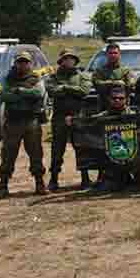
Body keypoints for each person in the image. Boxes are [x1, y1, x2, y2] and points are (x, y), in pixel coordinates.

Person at [0, 51, 48, 199]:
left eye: (25, 62)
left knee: (36, 153)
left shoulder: (36, 77)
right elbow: (3, 95)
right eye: (20, 62)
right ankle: (3, 185)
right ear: (15, 63)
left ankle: (39, 183)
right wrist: (24, 94)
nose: (23, 64)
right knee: (8, 154)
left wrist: (19, 91)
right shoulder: (7, 78)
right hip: (13, 122)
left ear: (30, 63)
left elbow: (38, 93)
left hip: (31, 121)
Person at [45, 49, 92, 191]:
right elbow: (52, 91)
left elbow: (84, 91)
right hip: (59, 116)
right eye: (66, 58)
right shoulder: (53, 77)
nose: (69, 61)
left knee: (81, 147)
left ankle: (85, 178)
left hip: (78, 115)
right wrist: (73, 90)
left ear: (75, 60)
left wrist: (64, 88)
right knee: (57, 149)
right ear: (61, 61)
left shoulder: (82, 75)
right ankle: (53, 179)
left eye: (71, 58)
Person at [90, 87, 136, 193]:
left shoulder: (134, 115)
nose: (117, 100)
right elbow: (88, 122)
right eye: (114, 98)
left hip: (131, 156)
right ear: (109, 100)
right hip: (111, 156)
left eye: (121, 98)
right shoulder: (103, 116)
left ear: (126, 99)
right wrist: (73, 121)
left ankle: (133, 179)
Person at [92, 43, 133, 112]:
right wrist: (115, 82)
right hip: (104, 106)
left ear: (119, 54)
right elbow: (97, 83)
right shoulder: (99, 71)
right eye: (110, 53)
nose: (113, 55)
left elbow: (130, 85)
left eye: (115, 53)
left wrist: (106, 83)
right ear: (106, 54)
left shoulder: (126, 70)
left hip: (123, 107)